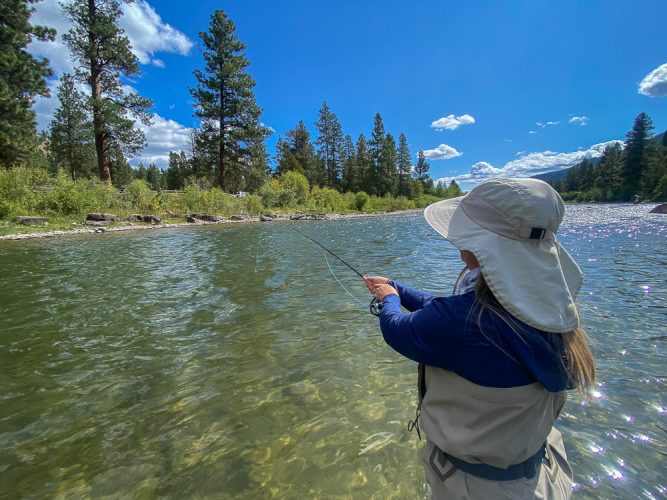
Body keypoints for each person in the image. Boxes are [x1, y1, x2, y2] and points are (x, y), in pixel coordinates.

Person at [364, 178, 595, 499]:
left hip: (476, 488)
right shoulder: (553, 308)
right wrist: (396, 287)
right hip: (539, 475)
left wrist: (388, 298)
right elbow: (446, 312)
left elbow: (398, 331)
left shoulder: (463, 323)